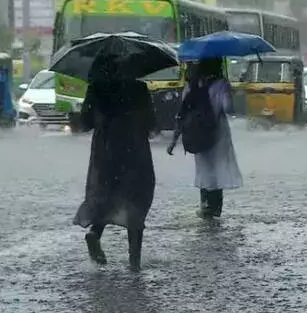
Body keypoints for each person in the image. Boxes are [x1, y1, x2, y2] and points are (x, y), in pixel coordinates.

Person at [73, 55, 156, 272]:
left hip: (105, 150)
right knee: (135, 198)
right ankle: (134, 262)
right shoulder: (139, 88)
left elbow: (85, 123)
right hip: (134, 149)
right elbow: (152, 123)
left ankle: (94, 232)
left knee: (105, 193)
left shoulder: (96, 88)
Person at [168, 58, 243, 218]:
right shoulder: (220, 84)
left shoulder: (191, 85)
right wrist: (229, 92)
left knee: (204, 168)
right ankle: (215, 207)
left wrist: (174, 139)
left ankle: (205, 204)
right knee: (217, 167)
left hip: (197, 132)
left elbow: (182, 112)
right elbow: (229, 108)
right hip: (217, 131)